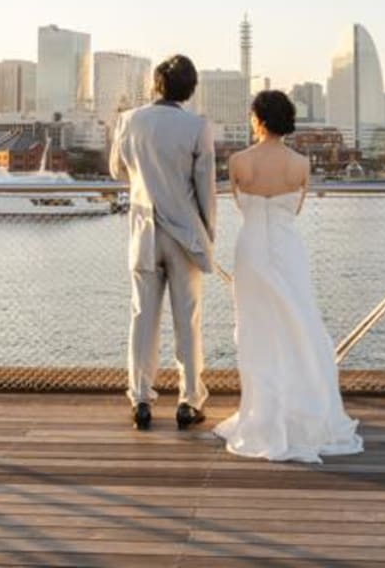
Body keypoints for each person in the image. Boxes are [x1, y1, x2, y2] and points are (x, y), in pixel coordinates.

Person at [214, 90, 363, 462]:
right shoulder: (301, 164)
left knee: (256, 328)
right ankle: (305, 406)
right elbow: (294, 209)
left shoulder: (238, 161)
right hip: (287, 249)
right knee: (300, 323)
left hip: (250, 250)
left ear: (258, 119)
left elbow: (239, 204)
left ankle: (262, 413)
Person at [109, 54, 216, 431]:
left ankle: (140, 397)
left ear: (157, 85)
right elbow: (206, 188)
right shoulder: (197, 127)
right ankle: (189, 400)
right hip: (185, 235)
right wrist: (209, 236)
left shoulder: (128, 120)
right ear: (190, 90)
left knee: (142, 316)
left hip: (143, 231)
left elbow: (115, 169)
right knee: (188, 320)